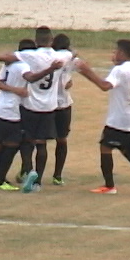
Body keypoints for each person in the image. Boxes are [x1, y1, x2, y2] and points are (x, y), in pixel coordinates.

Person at [0, 26, 72, 193]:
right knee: (42, 143)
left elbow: (1, 57)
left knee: (27, 141)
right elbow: (73, 54)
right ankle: (38, 180)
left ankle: (28, 170)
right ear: (51, 40)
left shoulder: (29, 55)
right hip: (49, 107)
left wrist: (14, 59)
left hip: (30, 105)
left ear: (36, 41)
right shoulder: (62, 56)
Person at [75, 39, 130, 195]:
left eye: (115, 51)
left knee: (106, 146)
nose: (113, 54)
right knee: (127, 149)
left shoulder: (120, 70)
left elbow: (105, 86)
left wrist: (85, 70)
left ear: (122, 53)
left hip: (120, 120)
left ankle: (109, 186)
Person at [50, 33, 75, 186]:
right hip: (64, 104)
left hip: (47, 104)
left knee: (37, 140)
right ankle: (58, 175)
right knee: (62, 139)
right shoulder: (70, 59)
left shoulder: (48, 58)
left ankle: (27, 170)